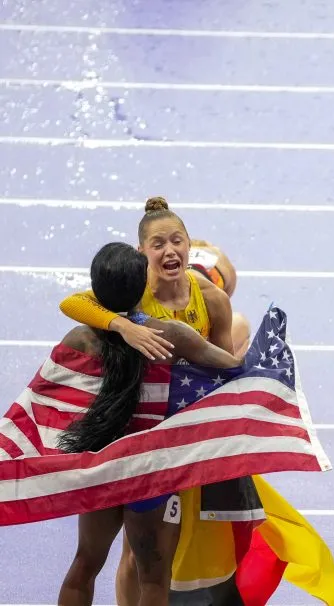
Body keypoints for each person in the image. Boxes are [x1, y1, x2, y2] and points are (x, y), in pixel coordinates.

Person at [57, 197, 258, 604]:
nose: (170, 251)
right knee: (142, 562)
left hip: (173, 443)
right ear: (141, 254)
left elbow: (221, 377)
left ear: (188, 244)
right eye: (158, 244)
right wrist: (122, 326)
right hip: (148, 454)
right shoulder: (127, 300)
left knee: (119, 560)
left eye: (177, 241)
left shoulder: (211, 300)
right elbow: (73, 302)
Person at [188, 238, 252, 356]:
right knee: (241, 323)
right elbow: (224, 302)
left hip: (168, 327)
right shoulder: (219, 257)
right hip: (203, 345)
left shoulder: (164, 257)